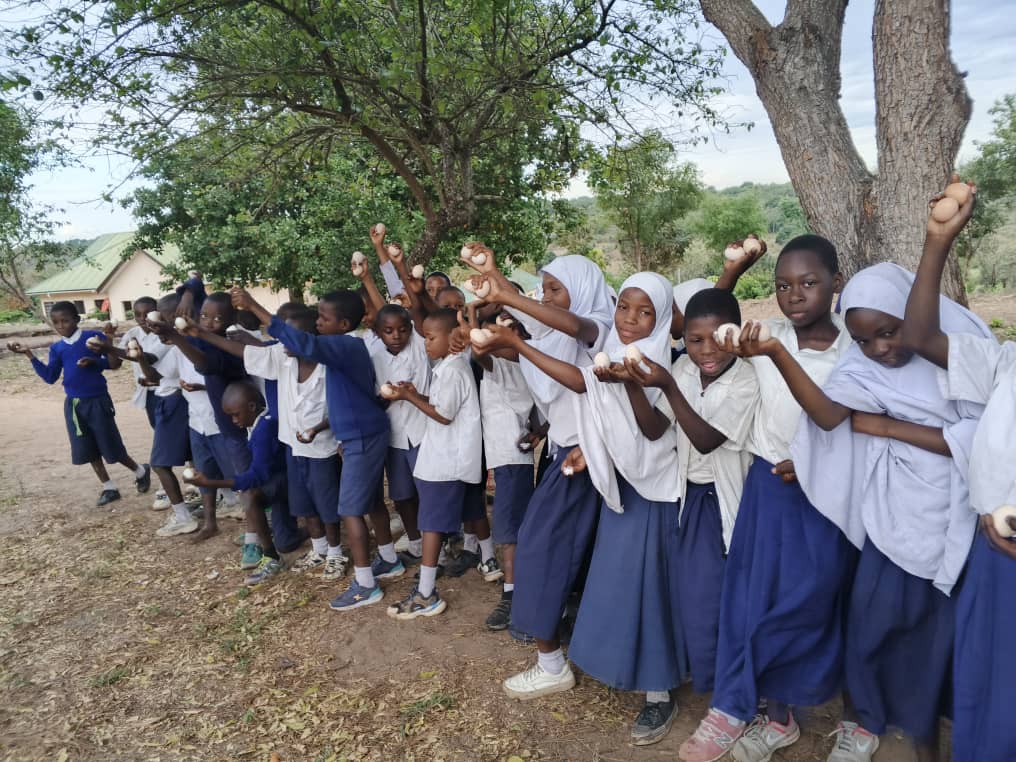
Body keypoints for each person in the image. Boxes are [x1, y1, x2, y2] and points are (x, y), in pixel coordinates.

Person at [759, 261, 984, 761]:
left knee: (945, 640)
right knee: (876, 627)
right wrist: (777, 352)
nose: (880, 349)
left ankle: (935, 742)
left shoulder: (960, 357)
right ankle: (887, 724)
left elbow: (983, 437)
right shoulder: (861, 369)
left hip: (960, 519)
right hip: (895, 519)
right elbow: (828, 416)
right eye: (863, 340)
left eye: (890, 331)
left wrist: (888, 428)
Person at [679, 235, 857, 762]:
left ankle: (851, 717)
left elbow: (841, 418)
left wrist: (813, 460)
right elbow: (709, 323)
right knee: (750, 601)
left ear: (836, 284)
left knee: (810, 601)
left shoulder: (854, 346)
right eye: (782, 285)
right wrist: (731, 274)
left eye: (808, 283)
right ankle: (754, 712)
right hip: (765, 487)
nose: (794, 295)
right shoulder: (766, 337)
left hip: (825, 494)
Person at [464, 252, 614, 697]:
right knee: (557, 553)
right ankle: (557, 647)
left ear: (581, 290)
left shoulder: (596, 328)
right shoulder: (554, 338)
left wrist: (509, 302)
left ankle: (552, 663)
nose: (545, 297)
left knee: (539, 548)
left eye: (554, 289)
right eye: (543, 289)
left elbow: (568, 327)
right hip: (566, 453)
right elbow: (535, 332)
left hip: (585, 458)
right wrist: (493, 280)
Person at [902, 179, 1016, 762]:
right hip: (994, 564)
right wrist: (937, 243)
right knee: (988, 699)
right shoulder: (1007, 363)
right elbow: (920, 336)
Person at [628, 288, 759, 736]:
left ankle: (735, 700)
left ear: (735, 335)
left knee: (716, 602)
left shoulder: (746, 380)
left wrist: (666, 384)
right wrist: (631, 384)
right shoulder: (683, 369)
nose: (706, 351)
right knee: (696, 600)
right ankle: (723, 688)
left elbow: (705, 440)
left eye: (718, 339)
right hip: (689, 496)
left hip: (724, 501)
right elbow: (655, 429)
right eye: (696, 340)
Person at [232, 287, 392, 611]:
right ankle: (389, 558)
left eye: (323, 318)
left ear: (343, 324)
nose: (317, 322)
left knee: (350, 511)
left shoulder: (344, 345)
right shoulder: (344, 346)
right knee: (372, 501)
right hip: (359, 434)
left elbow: (302, 342)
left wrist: (253, 306)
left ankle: (366, 585)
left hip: (362, 437)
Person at [381, 308, 482, 619]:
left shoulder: (453, 371)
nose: (425, 343)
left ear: (453, 337)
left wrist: (409, 398)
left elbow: (444, 415)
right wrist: (416, 393)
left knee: (431, 525)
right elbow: (441, 405)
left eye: (430, 338)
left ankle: (426, 594)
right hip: (442, 458)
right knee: (437, 521)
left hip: (445, 462)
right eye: (424, 337)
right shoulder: (447, 367)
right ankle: (432, 586)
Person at [7, 301, 151, 506]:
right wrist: (29, 355)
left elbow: (114, 364)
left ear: (76, 319)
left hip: (97, 401)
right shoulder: (57, 348)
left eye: (65, 321)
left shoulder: (93, 338)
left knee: (110, 444)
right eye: (56, 322)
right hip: (74, 405)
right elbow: (50, 377)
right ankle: (109, 487)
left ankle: (140, 471)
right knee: (87, 447)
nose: (61, 326)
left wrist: (95, 361)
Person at [241, 308, 345, 581]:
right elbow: (242, 352)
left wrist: (316, 429)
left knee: (327, 506)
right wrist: (200, 333)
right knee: (305, 503)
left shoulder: (328, 368)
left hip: (322, 449)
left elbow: (339, 409)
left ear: (308, 339)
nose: (282, 341)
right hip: (294, 447)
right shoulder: (285, 361)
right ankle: (319, 549)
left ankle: (335, 553)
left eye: (290, 336)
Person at [148, 292, 251, 553]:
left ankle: (255, 530)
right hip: (198, 422)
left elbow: (207, 364)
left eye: (217, 318)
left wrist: (176, 337)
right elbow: (165, 368)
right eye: (205, 316)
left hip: (224, 426)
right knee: (205, 476)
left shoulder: (229, 345)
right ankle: (210, 522)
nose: (209, 322)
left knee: (241, 480)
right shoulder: (187, 342)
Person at [184, 381, 296, 585]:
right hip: (281, 485)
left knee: (249, 495)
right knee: (286, 542)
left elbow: (257, 476)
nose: (234, 420)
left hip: (289, 484)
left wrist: (211, 482)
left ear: (252, 407)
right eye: (230, 416)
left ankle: (271, 557)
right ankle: (300, 533)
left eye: (236, 415)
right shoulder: (258, 424)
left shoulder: (265, 428)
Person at [471, 309, 537, 631]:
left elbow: (479, 352)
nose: (490, 340)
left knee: (510, 531)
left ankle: (512, 595)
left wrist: (473, 317)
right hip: (507, 457)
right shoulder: (514, 365)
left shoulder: (507, 366)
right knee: (512, 528)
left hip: (512, 459)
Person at [127, 294, 194, 537]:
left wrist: (140, 359)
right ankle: (224, 500)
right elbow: (155, 375)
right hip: (174, 400)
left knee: (159, 464)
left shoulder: (175, 344)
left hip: (173, 402)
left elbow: (156, 374)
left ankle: (183, 517)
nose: (153, 324)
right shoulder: (172, 343)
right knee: (197, 458)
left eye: (160, 319)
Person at [370, 304, 429, 570]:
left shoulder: (419, 349)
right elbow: (374, 399)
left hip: (423, 432)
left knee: (428, 492)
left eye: (403, 330)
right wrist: (386, 396)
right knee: (402, 494)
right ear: (378, 332)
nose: (396, 335)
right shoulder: (374, 357)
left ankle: (438, 544)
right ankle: (416, 542)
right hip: (394, 437)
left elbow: (417, 315)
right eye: (389, 331)